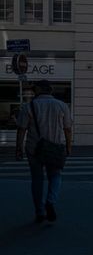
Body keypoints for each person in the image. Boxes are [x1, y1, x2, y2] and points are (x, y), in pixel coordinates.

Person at [16, 80, 73, 223]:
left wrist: (19, 148)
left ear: (38, 90)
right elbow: (67, 128)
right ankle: (50, 200)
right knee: (55, 175)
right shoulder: (62, 105)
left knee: (37, 179)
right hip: (55, 147)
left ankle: (39, 212)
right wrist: (68, 146)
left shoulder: (29, 106)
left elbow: (22, 129)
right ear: (50, 90)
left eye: (34, 89)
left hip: (34, 148)